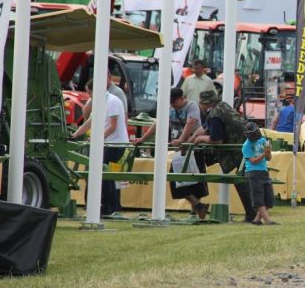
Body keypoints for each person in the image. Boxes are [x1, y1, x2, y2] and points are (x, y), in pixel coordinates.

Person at [133, 88, 207, 218]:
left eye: (174, 102)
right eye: (170, 102)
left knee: (195, 182)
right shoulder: (170, 108)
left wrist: (181, 140)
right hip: (180, 150)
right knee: (176, 181)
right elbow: (158, 123)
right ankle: (198, 206)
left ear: (181, 98)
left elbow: (191, 123)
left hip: (193, 149)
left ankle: (194, 211)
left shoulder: (192, 105)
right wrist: (143, 138)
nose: (172, 105)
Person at [193, 89, 257, 222]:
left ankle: (253, 215)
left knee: (242, 181)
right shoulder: (222, 106)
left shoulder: (214, 115)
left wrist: (201, 140)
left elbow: (217, 140)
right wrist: (189, 140)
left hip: (240, 148)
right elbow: (204, 128)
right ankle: (254, 214)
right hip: (248, 144)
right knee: (245, 180)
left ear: (204, 103)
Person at [71, 78, 129, 215]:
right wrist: (74, 135)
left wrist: (98, 138)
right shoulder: (100, 102)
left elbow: (113, 127)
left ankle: (110, 207)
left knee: (105, 174)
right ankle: (108, 206)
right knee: (104, 174)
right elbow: (89, 122)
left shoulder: (112, 102)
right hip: (107, 143)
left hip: (116, 144)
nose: (88, 95)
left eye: (89, 92)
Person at [242, 122, 277, 225]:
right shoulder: (246, 146)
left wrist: (268, 151)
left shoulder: (262, 140)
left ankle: (257, 220)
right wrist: (264, 154)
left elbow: (269, 158)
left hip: (264, 171)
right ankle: (268, 221)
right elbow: (253, 161)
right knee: (258, 199)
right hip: (253, 172)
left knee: (269, 199)